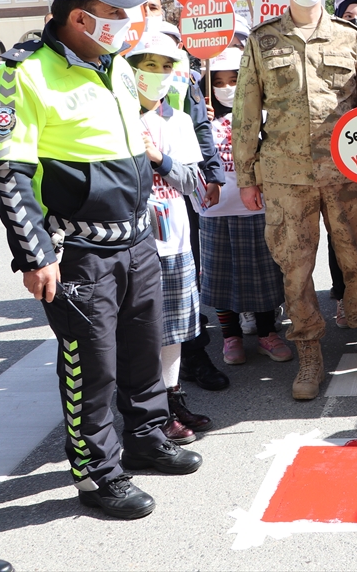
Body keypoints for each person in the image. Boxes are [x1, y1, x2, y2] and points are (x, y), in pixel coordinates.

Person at [0, 0, 200, 520]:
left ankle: (147, 437)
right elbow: (8, 173)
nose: (126, 22)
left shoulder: (115, 67)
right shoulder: (22, 75)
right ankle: (97, 474)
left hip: (136, 240)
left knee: (141, 352)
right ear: (80, 18)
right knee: (93, 366)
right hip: (80, 252)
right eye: (114, 13)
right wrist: (34, 254)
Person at [233, 0, 357, 400]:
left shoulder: (351, 38)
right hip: (286, 179)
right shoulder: (262, 40)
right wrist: (246, 177)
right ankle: (309, 358)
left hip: (345, 178)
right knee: (296, 270)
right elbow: (246, 114)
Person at [125, 32, 215, 443]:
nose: (158, 75)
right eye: (149, 66)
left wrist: (160, 158)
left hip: (176, 238)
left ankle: (172, 399)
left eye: (166, 67)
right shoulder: (117, 118)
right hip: (134, 243)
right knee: (142, 330)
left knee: (176, 328)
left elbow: (193, 182)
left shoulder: (176, 121)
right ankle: (147, 409)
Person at [197, 46, 292, 367]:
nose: (226, 87)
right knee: (221, 279)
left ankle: (267, 333)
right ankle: (230, 336)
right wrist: (199, 120)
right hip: (215, 210)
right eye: (218, 81)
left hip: (257, 207)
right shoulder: (199, 117)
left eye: (234, 80)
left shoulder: (261, 115)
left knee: (264, 276)